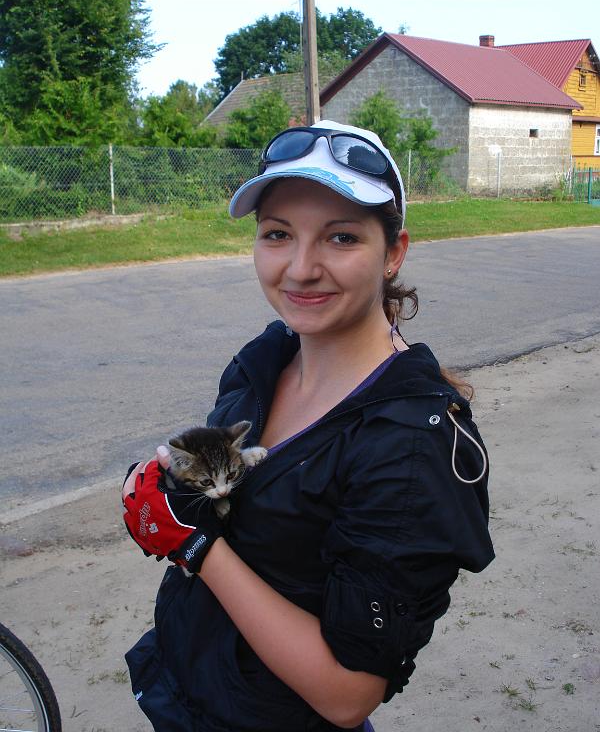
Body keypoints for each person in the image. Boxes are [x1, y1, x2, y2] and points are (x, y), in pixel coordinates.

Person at [122, 120, 495, 732]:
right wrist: (173, 489)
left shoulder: (409, 445)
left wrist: (193, 546)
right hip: (189, 694)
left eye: (341, 237)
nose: (299, 269)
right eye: (277, 234)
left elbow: (347, 695)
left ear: (394, 252)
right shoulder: (266, 360)